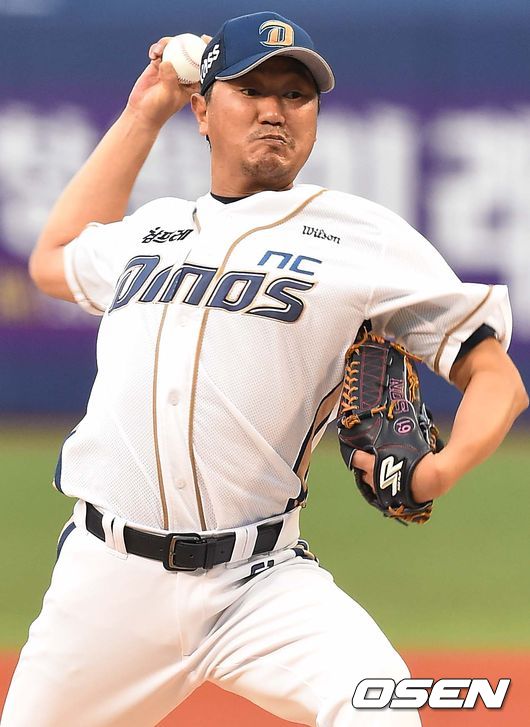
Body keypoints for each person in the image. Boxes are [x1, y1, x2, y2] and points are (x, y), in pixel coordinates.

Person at [2, 11, 527, 727]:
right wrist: (144, 112)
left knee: (385, 710)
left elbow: (496, 376)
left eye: (295, 95)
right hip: (105, 583)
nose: (275, 110)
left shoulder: (361, 238)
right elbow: (53, 259)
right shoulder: (154, 230)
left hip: (258, 583)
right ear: (203, 111)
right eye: (251, 89)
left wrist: (440, 470)